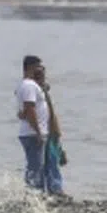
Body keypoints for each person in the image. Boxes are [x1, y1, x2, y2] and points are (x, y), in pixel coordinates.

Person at [16, 55, 50, 190]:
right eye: (38, 67)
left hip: (31, 132)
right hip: (32, 133)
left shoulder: (27, 85)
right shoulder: (29, 85)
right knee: (35, 167)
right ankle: (33, 195)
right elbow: (30, 109)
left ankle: (35, 193)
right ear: (30, 67)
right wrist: (38, 131)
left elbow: (23, 111)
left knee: (36, 166)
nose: (41, 70)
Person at [35, 66, 68, 196]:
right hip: (45, 130)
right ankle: (54, 189)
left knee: (53, 159)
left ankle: (54, 188)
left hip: (51, 130)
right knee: (49, 161)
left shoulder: (43, 92)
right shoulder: (37, 93)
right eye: (40, 76)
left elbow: (51, 113)